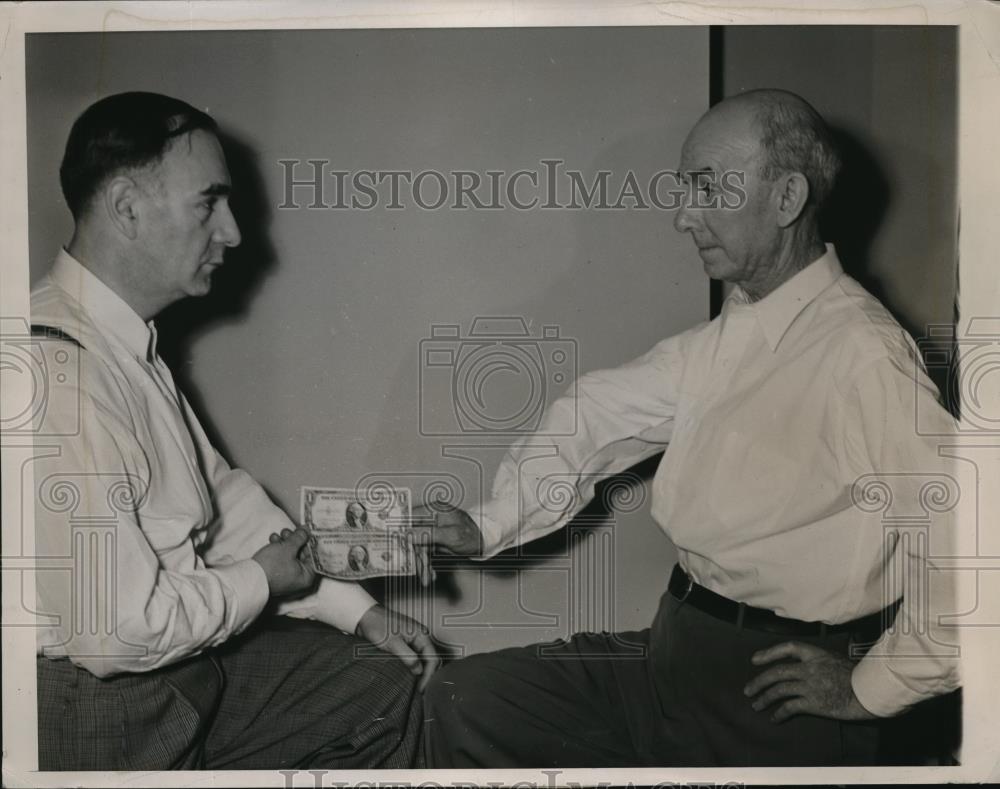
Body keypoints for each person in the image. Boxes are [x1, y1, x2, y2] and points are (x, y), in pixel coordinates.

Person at [416, 89, 960, 767]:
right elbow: (595, 415)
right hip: (671, 653)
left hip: (775, 689)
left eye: (707, 188)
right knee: (467, 698)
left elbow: (970, 539)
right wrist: (486, 524)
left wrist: (872, 689)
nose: (682, 216)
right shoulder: (738, 329)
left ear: (787, 198)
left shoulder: (865, 353)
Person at [30, 91, 438, 771]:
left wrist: (358, 610)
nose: (233, 232)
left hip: (174, 667)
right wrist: (262, 581)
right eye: (209, 203)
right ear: (126, 207)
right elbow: (113, 634)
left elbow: (222, 505)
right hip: (95, 703)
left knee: (374, 682)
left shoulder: (118, 344)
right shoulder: (56, 372)